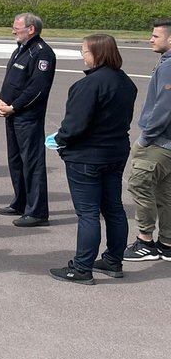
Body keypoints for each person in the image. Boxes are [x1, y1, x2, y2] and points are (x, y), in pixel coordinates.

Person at [48, 34, 137, 284]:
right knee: (113, 207)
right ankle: (113, 260)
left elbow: (75, 125)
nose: (82, 55)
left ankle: (82, 267)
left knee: (88, 213)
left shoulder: (88, 85)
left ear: (97, 54)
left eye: (84, 51)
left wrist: (61, 141)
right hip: (115, 151)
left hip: (87, 156)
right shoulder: (126, 82)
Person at [0, 12, 57, 227]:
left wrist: (14, 106)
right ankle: (20, 202)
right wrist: (1, 100)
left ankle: (38, 211)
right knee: (15, 161)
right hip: (13, 114)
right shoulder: (20, 50)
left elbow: (37, 89)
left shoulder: (42, 53)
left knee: (32, 163)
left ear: (31, 29)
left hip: (27, 117)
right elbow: (11, 81)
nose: (13, 30)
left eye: (17, 27)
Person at [122, 17, 171, 262]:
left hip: (160, 142)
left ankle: (145, 242)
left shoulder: (169, 66)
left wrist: (146, 138)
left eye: (155, 35)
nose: (150, 39)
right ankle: (167, 243)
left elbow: (164, 107)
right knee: (165, 192)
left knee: (140, 184)